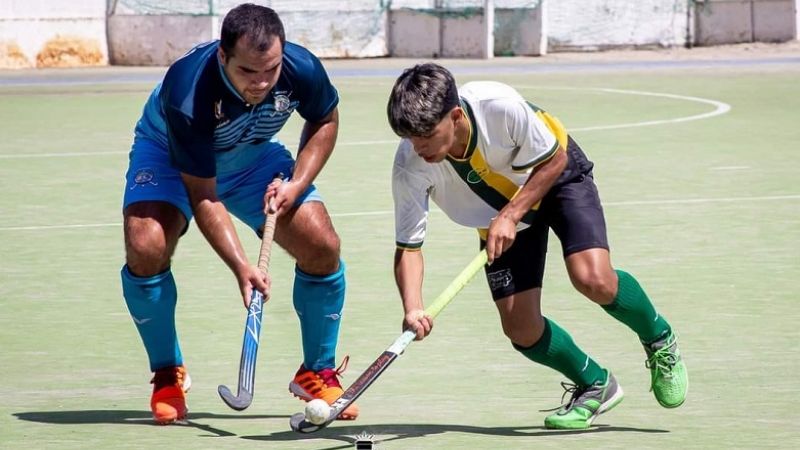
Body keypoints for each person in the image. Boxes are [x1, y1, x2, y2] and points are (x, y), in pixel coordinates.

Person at [386, 63, 688, 430]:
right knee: (520, 326)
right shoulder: (410, 164)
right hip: (497, 215)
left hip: (554, 178)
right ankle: (595, 384)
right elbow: (409, 247)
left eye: (427, 136)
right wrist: (413, 306)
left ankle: (659, 338)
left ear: (455, 115)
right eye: (411, 138)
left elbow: (554, 158)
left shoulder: (498, 105)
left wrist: (512, 214)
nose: (419, 149)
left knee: (593, 278)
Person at [120, 3, 358, 424]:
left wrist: (297, 183)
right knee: (146, 245)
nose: (262, 83)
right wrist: (241, 267)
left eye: (271, 69)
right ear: (222, 56)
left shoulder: (300, 68)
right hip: (171, 160)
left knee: (322, 245)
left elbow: (325, 118)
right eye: (249, 72)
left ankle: (316, 371)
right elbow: (205, 195)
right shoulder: (188, 93)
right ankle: (167, 373)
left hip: (252, 158)